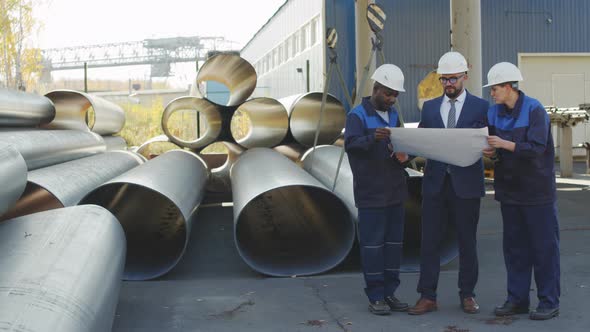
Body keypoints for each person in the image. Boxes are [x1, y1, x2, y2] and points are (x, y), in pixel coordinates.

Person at [408, 51, 489, 315]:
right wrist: (402, 151)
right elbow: (422, 139)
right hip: (435, 185)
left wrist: (492, 151)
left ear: (465, 76)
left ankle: (468, 295)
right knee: (429, 241)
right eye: (444, 80)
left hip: (466, 184)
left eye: (453, 79)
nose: (448, 84)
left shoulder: (481, 107)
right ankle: (427, 296)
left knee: (467, 242)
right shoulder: (430, 108)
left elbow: (491, 142)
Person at [482, 62, 560, 320]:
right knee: (515, 249)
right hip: (510, 191)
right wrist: (491, 151)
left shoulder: (534, 110)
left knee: (543, 248)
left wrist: (504, 143)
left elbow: (537, 148)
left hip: (537, 192)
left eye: (494, 89)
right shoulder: (494, 113)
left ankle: (549, 301)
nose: (491, 94)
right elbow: (493, 147)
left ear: (508, 87)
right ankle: (517, 299)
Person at [344, 63, 410, 315]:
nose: (392, 99)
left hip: (394, 191)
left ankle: (390, 293)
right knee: (372, 247)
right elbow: (351, 145)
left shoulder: (392, 115)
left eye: (395, 95)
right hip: (371, 193)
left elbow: (393, 146)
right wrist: (374, 138)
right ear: (376, 88)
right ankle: (375, 296)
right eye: (388, 94)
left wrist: (402, 155)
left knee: (393, 245)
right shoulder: (357, 115)